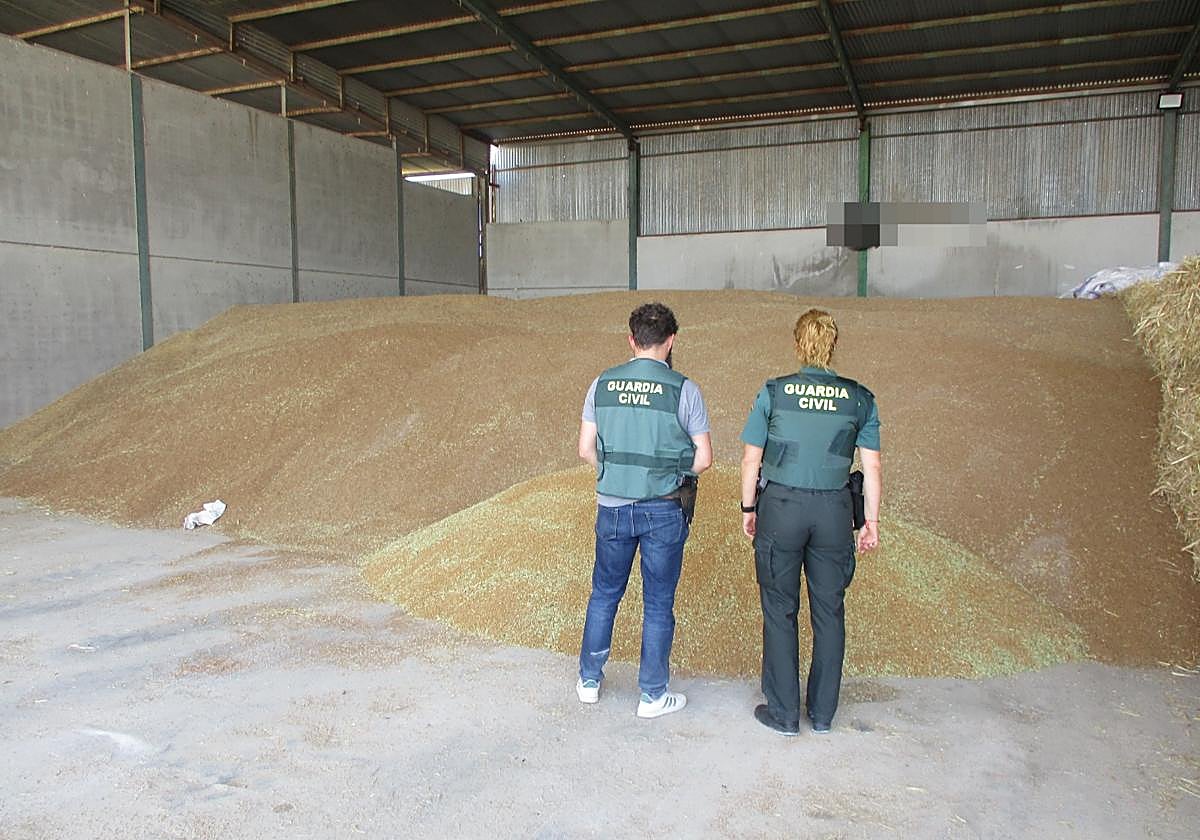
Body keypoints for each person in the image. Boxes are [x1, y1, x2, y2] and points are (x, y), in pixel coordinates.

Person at [739, 308, 881, 736]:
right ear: (832, 345)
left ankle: (783, 713)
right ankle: (821, 714)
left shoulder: (775, 392)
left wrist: (749, 509)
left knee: (780, 609)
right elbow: (871, 467)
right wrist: (869, 521)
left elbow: (751, 459)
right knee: (829, 611)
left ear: (798, 344)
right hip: (835, 512)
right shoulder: (860, 398)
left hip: (781, 508)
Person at [576, 302, 713, 719]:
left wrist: (619, 472)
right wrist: (667, 469)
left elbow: (585, 450)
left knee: (604, 594)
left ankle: (589, 681)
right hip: (664, 511)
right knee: (657, 603)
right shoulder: (683, 389)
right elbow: (703, 459)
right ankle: (652, 695)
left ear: (631, 339)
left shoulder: (601, 384)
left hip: (612, 508)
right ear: (671, 341)